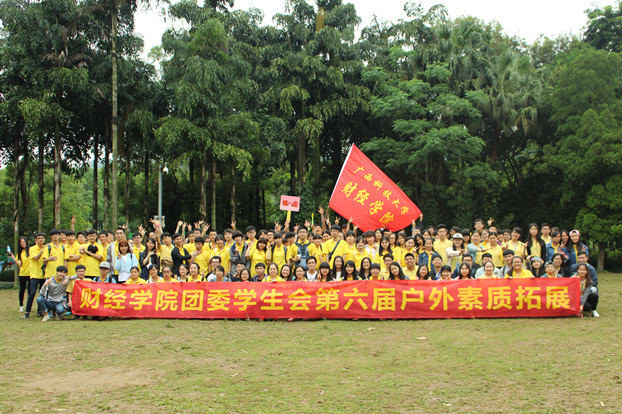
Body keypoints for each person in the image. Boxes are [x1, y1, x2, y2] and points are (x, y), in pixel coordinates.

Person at [9, 236, 30, 312]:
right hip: (23, 274)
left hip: (31, 274)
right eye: (21, 242)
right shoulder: (20, 253)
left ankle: (29, 306)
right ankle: (21, 306)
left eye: (24, 242)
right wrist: (13, 257)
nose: (23, 243)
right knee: (22, 290)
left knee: (30, 291)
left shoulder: (31, 250)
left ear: (26, 242)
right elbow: (19, 264)